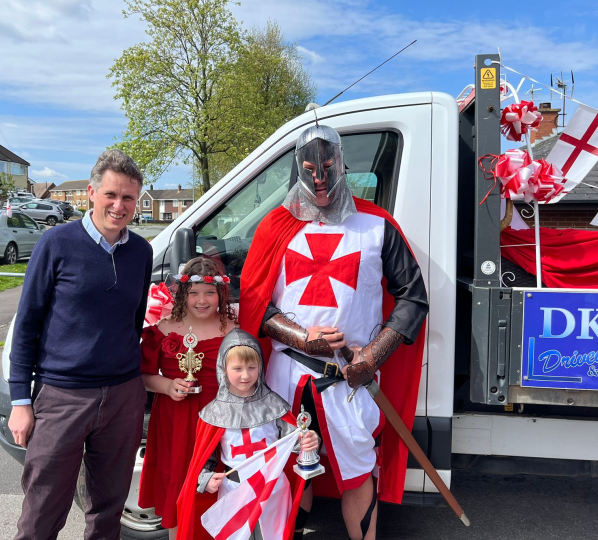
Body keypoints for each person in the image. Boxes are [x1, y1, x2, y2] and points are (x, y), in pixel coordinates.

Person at [238, 123, 429, 540]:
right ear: (296, 168)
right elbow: (255, 303)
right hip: (287, 376)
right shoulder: (276, 226)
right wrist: (302, 338)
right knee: (288, 467)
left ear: (342, 164)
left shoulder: (377, 225)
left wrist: (372, 357)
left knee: (359, 470)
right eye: (309, 168)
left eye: (327, 166)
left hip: (349, 378)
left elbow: (413, 298)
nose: (319, 179)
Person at [7, 149, 152, 540]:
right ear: (91, 192)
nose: (119, 206)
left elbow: (133, 321)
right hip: (62, 396)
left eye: (128, 198)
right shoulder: (56, 243)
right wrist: (21, 401)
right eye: (111, 195)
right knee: (42, 509)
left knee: (108, 510)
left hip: (122, 396)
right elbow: (27, 326)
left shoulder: (141, 251)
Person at [177, 329, 319, 540]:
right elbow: (204, 461)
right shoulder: (213, 413)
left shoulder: (274, 405)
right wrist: (205, 479)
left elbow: (295, 443)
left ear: (260, 367)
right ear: (223, 369)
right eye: (237, 368)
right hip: (234, 487)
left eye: (252, 368)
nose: (245, 375)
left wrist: (308, 441)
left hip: (272, 487)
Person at [138, 257, 238, 540]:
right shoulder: (165, 329)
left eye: (209, 292)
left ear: (221, 293)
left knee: (217, 491)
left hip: (220, 422)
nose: (202, 300)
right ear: (183, 294)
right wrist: (168, 386)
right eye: (194, 293)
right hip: (175, 422)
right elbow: (143, 375)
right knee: (179, 488)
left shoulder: (234, 329)